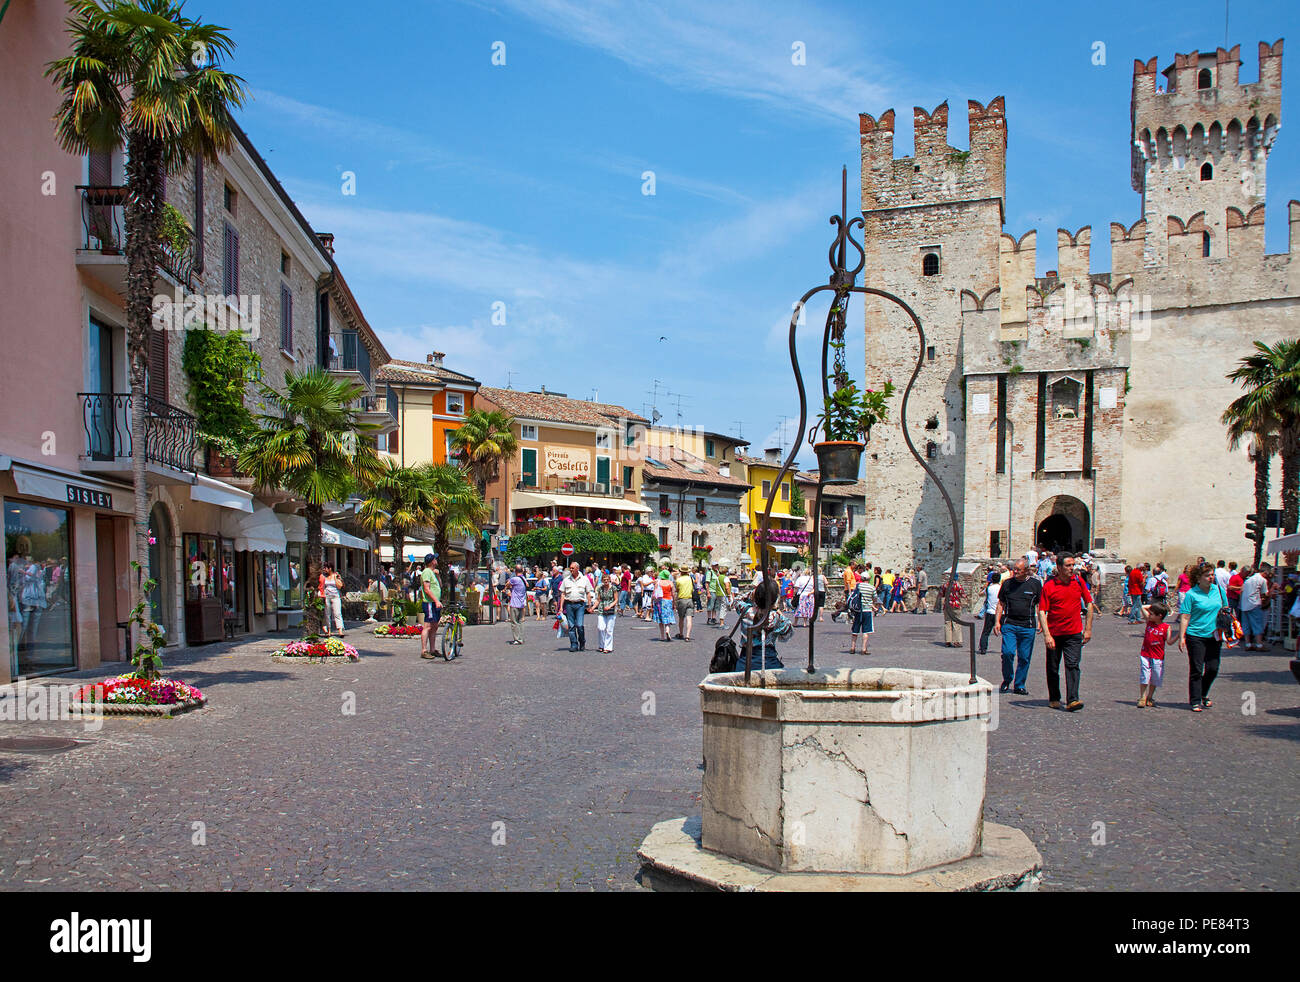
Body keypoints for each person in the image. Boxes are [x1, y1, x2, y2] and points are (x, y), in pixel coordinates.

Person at [1038, 553, 1094, 711]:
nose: (1072, 569)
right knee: (1053, 667)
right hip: (1055, 633)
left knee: (1073, 664)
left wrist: (1088, 628)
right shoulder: (1049, 586)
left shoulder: (1078, 581)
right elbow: (1042, 611)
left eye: (1073, 565)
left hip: (1074, 632)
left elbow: (1089, 603)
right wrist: (1047, 635)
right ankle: (1054, 697)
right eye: (1068, 566)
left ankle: (1072, 700)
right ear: (1059, 568)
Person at [1177, 562, 1225, 712]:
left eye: (1212, 575)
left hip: (1215, 634)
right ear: (1198, 578)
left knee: (1213, 668)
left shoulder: (1218, 590)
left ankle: (1203, 693)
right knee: (1197, 669)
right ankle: (1195, 700)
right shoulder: (1192, 594)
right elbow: (1185, 616)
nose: (1211, 578)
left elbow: (1226, 609)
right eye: (1207, 575)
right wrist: (1181, 637)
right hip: (1195, 635)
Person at [995, 559, 1042, 695]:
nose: (1015, 571)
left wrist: (1040, 621)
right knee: (1008, 653)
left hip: (1028, 626)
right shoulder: (1008, 584)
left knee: (1024, 656)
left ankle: (1019, 684)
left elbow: (1040, 605)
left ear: (1026, 571)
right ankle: (1007, 679)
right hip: (1010, 624)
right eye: (1014, 569)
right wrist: (997, 621)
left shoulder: (1035, 584)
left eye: (1018, 570)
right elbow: (1001, 603)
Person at [1137, 602, 1173, 708]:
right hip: (1146, 654)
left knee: (1155, 677)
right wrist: (1156, 607)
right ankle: (1142, 697)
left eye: (1152, 614)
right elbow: (1143, 607)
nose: (1149, 615)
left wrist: (1180, 637)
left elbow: (1169, 642)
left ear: (1159, 616)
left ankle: (1150, 696)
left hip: (1158, 656)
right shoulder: (1149, 622)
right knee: (1145, 675)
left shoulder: (1166, 627)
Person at [560, 561, 595, 652]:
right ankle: (574, 644)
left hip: (580, 604)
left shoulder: (584, 579)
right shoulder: (566, 580)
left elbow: (588, 592)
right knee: (571, 626)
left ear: (577, 569)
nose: (571, 570)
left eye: (572, 568)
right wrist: (561, 607)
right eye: (570, 568)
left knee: (579, 625)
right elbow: (563, 594)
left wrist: (589, 604)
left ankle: (582, 641)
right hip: (569, 604)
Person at [1240, 562, 1273, 650]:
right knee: (1257, 624)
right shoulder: (1262, 580)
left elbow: (1242, 591)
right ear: (1265, 573)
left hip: (1244, 604)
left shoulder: (1248, 579)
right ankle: (1259, 644)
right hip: (1254, 604)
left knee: (1246, 624)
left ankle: (1248, 644)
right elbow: (1265, 594)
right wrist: (1272, 590)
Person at [419, 554, 442, 659]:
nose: (436, 560)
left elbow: (439, 586)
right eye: (435, 559)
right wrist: (436, 600)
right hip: (429, 602)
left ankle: (432, 649)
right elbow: (427, 589)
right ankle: (424, 650)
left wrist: (437, 576)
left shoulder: (432, 573)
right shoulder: (427, 572)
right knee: (427, 626)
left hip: (434, 603)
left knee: (434, 626)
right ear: (432, 561)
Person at [848, 573, 875, 656]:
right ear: (868, 579)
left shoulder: (858, 586)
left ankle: (852, 647)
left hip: (858, 610)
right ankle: (863, 649)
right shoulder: (872, 588)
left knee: (855, 629)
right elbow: (875, 598)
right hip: (867, 610)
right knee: (866, 631)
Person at [978, 570, 1000, 655]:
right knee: (1006, 631)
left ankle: (983, 648)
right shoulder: (1001, 588)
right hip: (999, 612)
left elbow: (981, 594)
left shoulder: (989, 589)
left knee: (986, 632)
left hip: (990, 612)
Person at [596, 573, 619, 652]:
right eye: (604, 580)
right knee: (600, 628)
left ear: (609, 580)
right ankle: (601, 645)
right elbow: (598, 600)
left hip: (611, 610)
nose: (606, 581)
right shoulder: (600, 588)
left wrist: (610, 606)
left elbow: (616, 599)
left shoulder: (613, 588)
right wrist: (592, 607)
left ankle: (607, 647)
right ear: (602, 580)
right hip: (601, 610)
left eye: (607, 580)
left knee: (609, 630)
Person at [320, 563, 344, 638]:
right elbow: (322, 586)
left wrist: (336, 578)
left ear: (330, 568)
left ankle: (340, 630)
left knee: (337, 613)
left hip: (335, 596)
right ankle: (329, 630)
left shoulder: (336, 576)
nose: (324, 570)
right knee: (327, 614)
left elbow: (340, 586)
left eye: (326, 568)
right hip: (327, 596)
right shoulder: (324, 577)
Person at [941, 573, 965, 647]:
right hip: (956, 605)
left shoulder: (945, 585)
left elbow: (942, 594)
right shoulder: (958, 585)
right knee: (956, 622)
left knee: (948, 622)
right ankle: (956, 641)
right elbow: (963, 594)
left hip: (947, 605)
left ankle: (948, 641)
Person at [506, 563, 528, 645]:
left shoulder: (514, 579)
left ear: (515, 571)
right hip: (522, 603)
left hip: (515, 603)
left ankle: (517, 639)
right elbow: (527, 585)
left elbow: (507, 584)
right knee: (520, 621)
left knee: (514, 622)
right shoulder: (524, 578)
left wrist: (510, 587)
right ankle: (521, 638)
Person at [653, 569, 677, 641]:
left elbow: (654, 593)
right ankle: (667, 630)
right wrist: (674, 603)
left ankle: (662, 636)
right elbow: (673, 594)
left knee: (660, 619)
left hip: (660, 601)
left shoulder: (658, 582)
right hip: (668, 601)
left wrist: (652, 602)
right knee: (668, 617)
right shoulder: (670, 583)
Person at [674, 567, 695, 641]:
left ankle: (681, 633)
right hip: (689, 599)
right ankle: (688, 635)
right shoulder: (691, 579)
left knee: (681, 618)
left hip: (682, 599)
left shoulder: (678, 580)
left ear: (681, 572)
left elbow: (677, 590)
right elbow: (692, 589)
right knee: (689, 618)